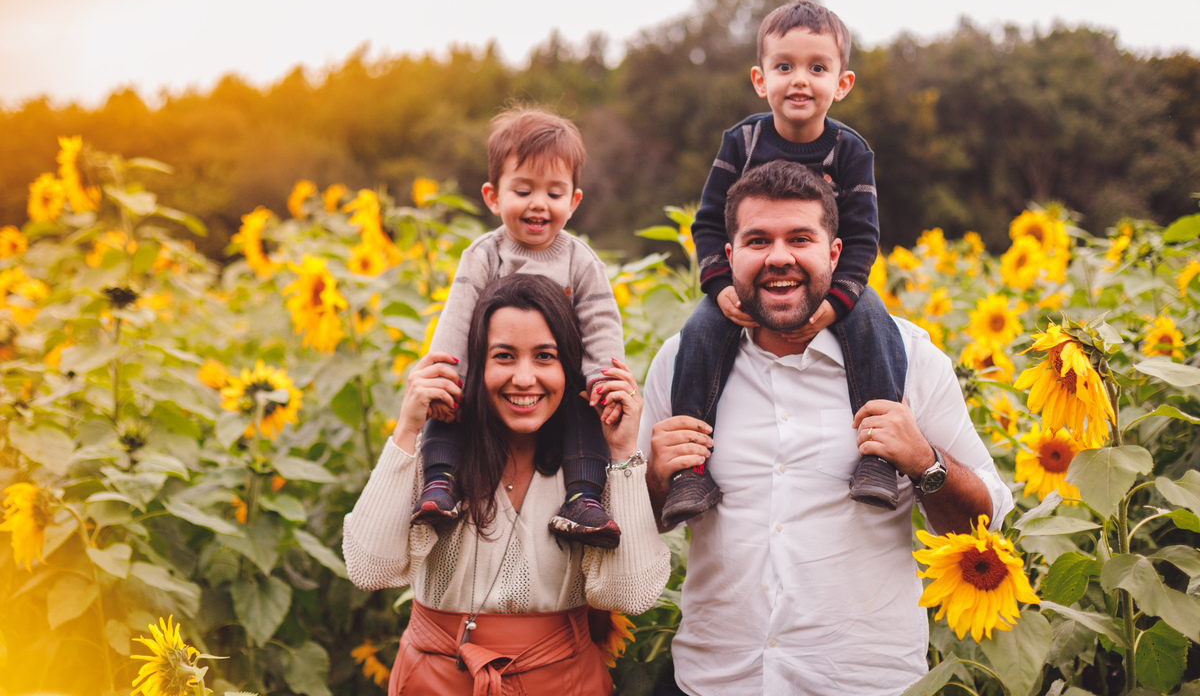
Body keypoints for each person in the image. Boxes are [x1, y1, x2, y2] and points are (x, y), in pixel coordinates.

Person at [639, 163, 1013, 695]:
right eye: (757, 240)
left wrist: (925, 461)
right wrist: (656, 478)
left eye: (800, 238)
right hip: (716, 680)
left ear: (835, 255)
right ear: (729, 258)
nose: (778, 257)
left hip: (862, 682)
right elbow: (638, 529)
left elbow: (985, 524)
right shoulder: (683, 365)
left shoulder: (908, 359)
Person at [345, 274, 670, 695]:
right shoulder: (440, 459)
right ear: (476, 366)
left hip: (562, 682)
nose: (523, 378)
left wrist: (624, 453)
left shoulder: (590, 471)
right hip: (438, 680)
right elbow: (370, 567)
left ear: (570, 369)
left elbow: (631, 594)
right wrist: (408, 428)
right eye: (503, 356)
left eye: (544, 357)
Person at [663, 0, 908, 525]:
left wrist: (838, 299)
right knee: (700, 333)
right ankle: (690, 470)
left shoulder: (850, 150)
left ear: (841, 84)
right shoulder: (743, 141)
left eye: (817, 68)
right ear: (759, 79)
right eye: (784, 67)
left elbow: (862, 237)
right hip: (744, 286)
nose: (800, 80)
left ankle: (878, 457)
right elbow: (708, 223)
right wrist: (719, 286)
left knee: (875, 326)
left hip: (830, 282)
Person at [413, 107, 628, 548]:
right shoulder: (483, 255)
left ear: (574, 201)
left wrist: (602, 378)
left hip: (558, 385)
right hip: (492, 385)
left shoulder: (580, 261)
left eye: (554, 193)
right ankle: (440, 483)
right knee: (450, 408)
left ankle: (584, 499)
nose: (538, 204)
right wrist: (448, 377)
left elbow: (601, 322)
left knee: (586, 414)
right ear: (493, 197)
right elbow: (456, 318)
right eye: (523, 189)